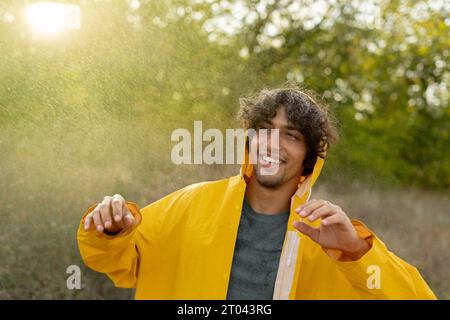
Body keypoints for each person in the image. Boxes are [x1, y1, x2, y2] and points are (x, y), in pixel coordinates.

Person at [77, 86, 436, 299]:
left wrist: (356, 251)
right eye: (264, 129)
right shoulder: (192, 203)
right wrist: (112, 231)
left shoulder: (330, 238)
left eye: (291, 135)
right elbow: (120, 262)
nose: (272, 143)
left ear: (310, 158)